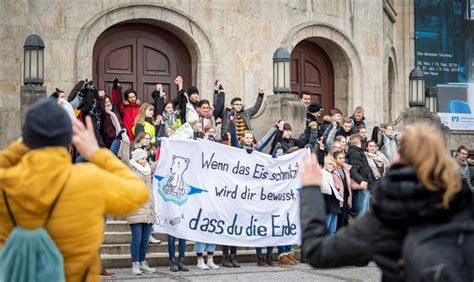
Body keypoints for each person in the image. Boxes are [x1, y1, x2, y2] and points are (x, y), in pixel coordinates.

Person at [299, 123, 474, 281]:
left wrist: (311, 189)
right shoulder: (465, 204)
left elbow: (318, 251)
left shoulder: (390, 211)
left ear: (399, 158)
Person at [0, 98, 149, 281]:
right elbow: (137, 192)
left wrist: (21, 145)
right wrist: (96, 153)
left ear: (27, 138)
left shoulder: (5, 181)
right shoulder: (88, 180)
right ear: (67, 138)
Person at [120, 148, 157, 275]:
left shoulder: (147, 169)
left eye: (145, 158)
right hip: (136, 208)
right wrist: (124, 141)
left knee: (145, 239)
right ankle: (135, 263)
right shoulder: (131, 167)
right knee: (137, 238)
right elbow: (124, 159)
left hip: (148, 209)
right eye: (142, 158)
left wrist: (167, 146)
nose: (144, 160)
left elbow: (158, 163)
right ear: (136, 158)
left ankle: (142, 261)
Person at [346, 135, 374, 217]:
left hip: (365, 183)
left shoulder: (358, 152)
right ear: (359, 142)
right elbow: (353, 170)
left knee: (365, 211)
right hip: (362, 185)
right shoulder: (356, 153)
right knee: (362, 212)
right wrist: (361, 181)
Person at [332, 151, 352, 229]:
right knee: (340, 215)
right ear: (335, 159)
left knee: (345, 214)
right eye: (340, 158)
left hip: (346, 194)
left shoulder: (346, 168)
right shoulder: (333, 170)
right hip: (338, 196)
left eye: (343, 158)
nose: (342, 160)